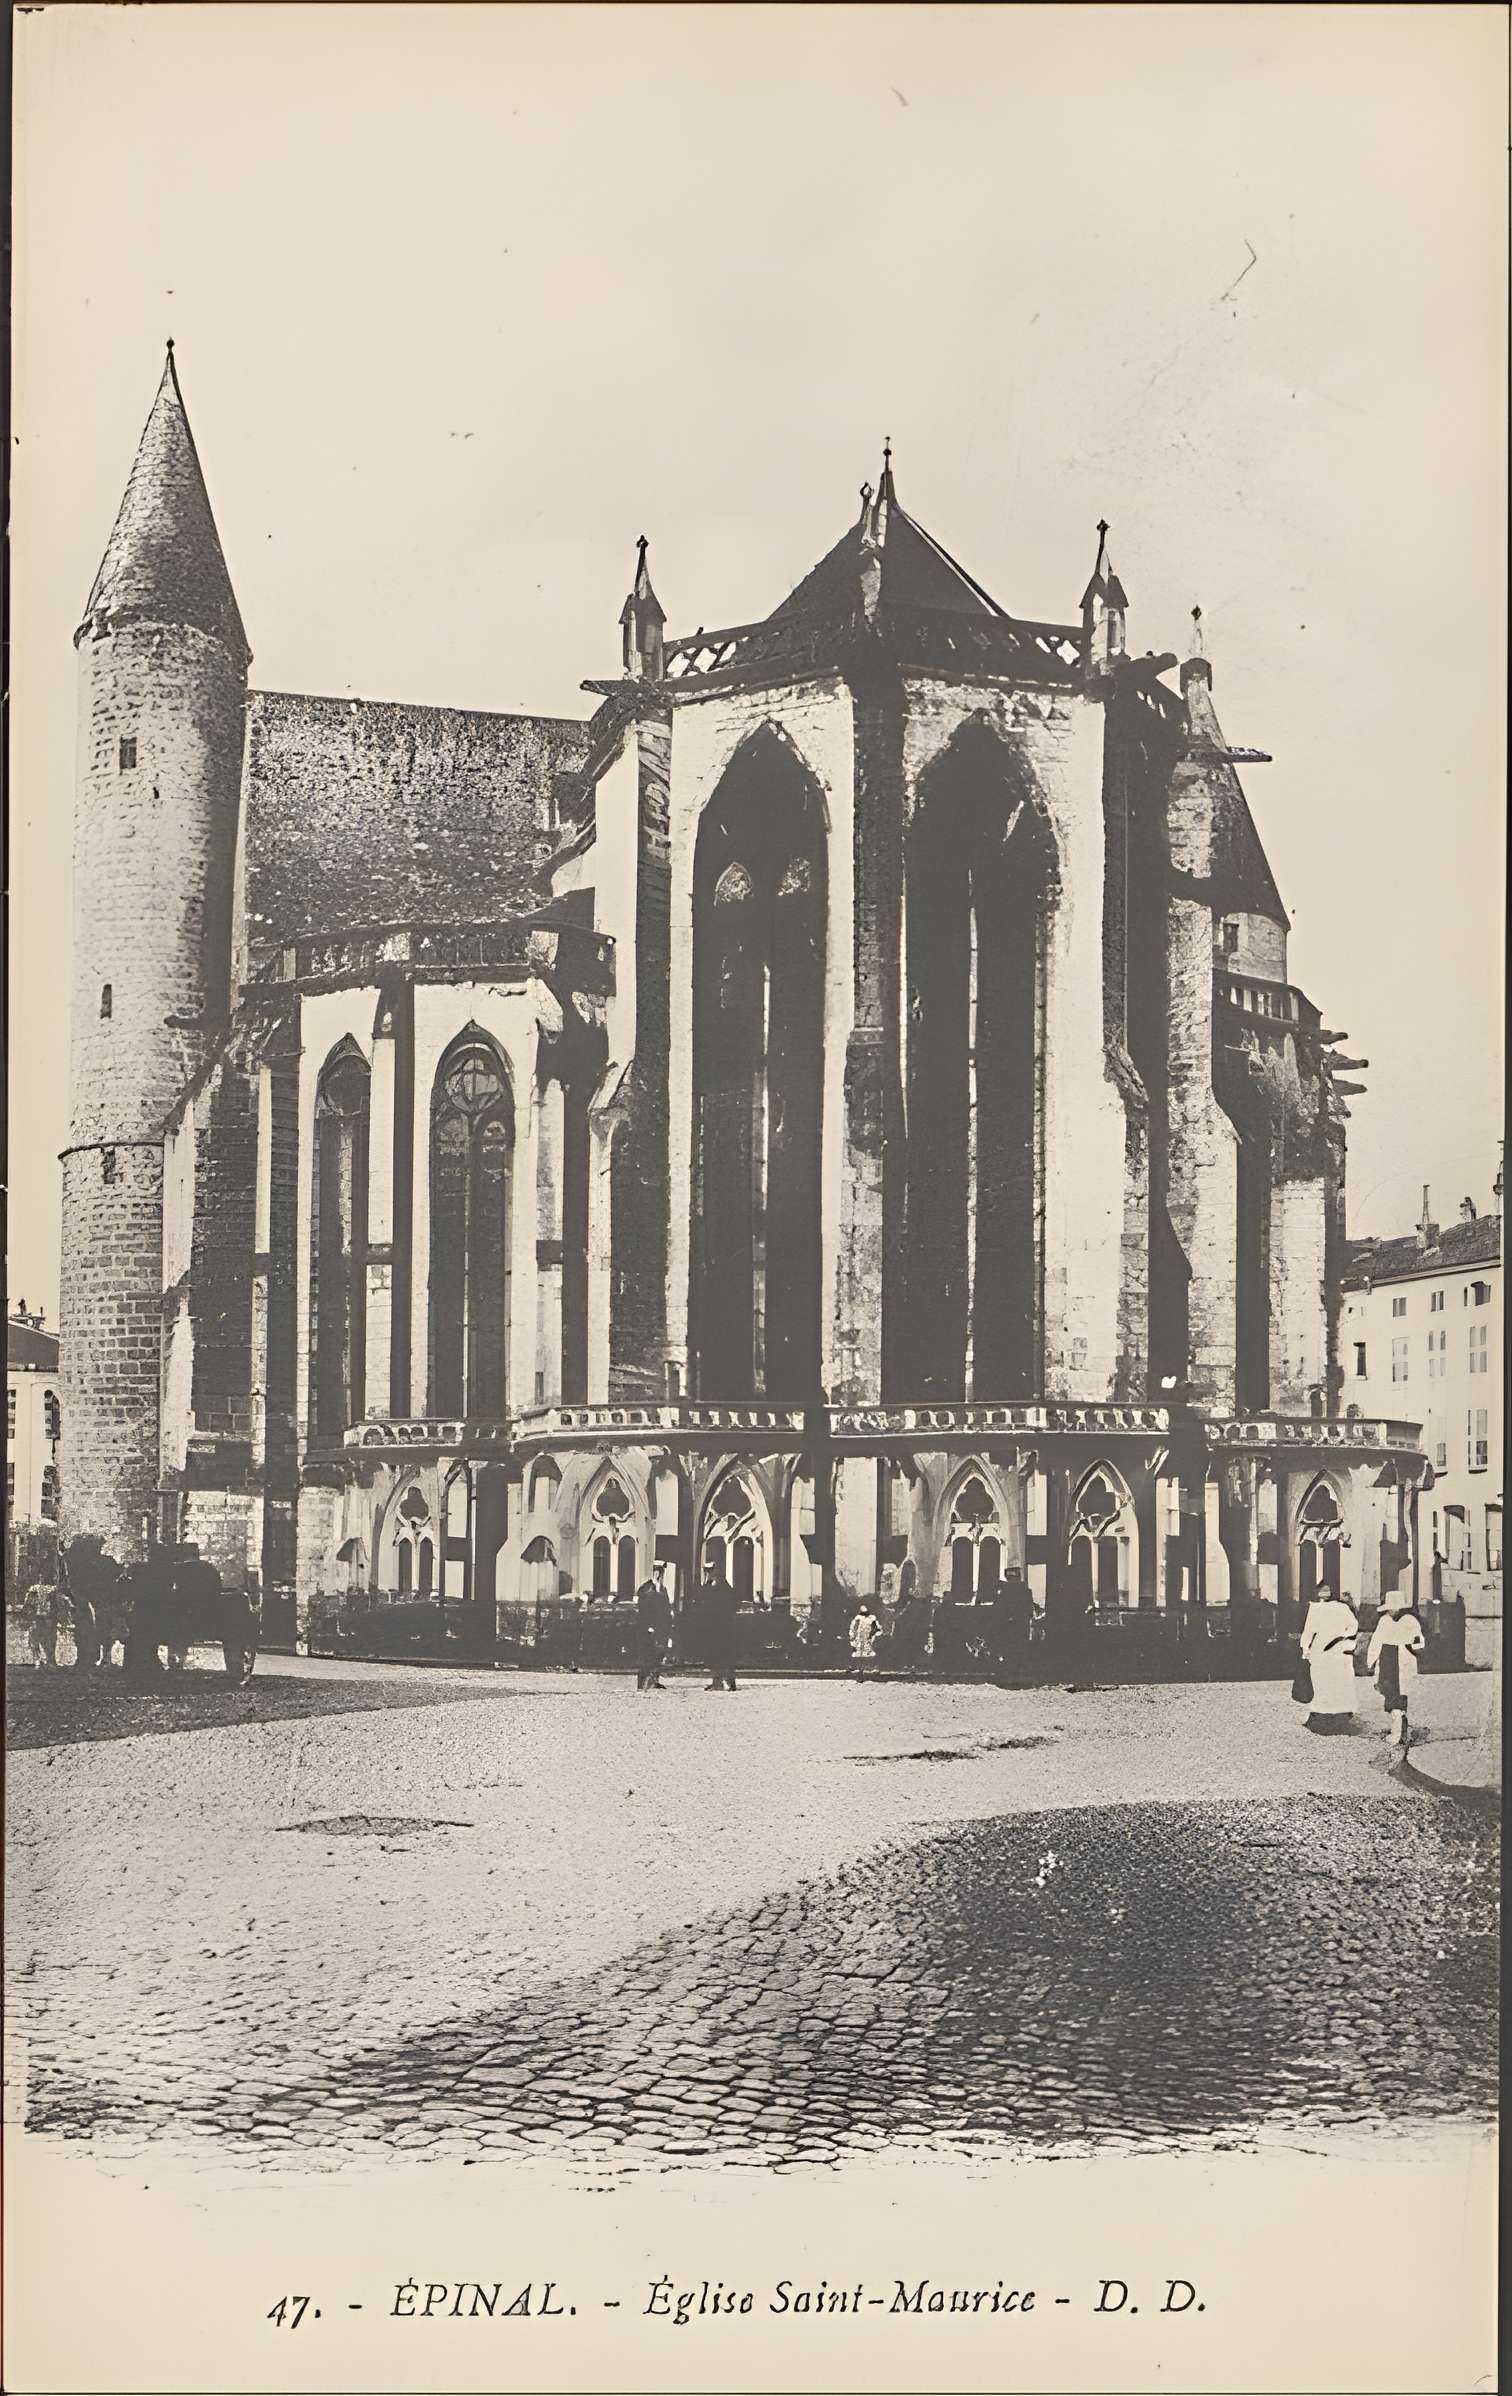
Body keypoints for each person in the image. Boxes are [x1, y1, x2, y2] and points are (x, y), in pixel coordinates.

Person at [1297, 1583, 1361, 1734]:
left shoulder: (1320, 1608)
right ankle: (1336, 1720)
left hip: (1327, 1651)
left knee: (1327, 1684)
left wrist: (1305, 1650)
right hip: (1333, 1652)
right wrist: (1345, 1641)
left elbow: (1308, 1632)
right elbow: (1353, 1627)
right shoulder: (1339, 1608)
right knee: (1333, 1684)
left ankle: (1328, 1720)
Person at [1367, 1589, 1427, 1750]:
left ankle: (1398, 1733)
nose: (1391, 1611)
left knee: (1400, 1695)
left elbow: (1419, 1641)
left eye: (1393, 1607)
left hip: (1403, 1658)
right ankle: (1400, 1730)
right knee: (1390, 1693)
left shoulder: (1410, 1620)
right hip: (1387, 1659)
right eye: (1389, 1608)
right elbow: (1376, 1641)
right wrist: (1371, 1660)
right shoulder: (1384, 1621)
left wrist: (1413, 1646)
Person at [170, 1541, 223, 1672]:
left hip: (182, 1613)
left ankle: (176, 1660)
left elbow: (172, 1592)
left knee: (174, 1622)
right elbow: (217, 1589)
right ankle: (179, 1659)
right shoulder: (209, 1568)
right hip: (208, 1612)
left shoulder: (177, 1570)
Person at [634, 1561, 674, 1691]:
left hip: (661, 1628)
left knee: (658, 1653)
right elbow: (644, 1609)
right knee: (648, 1655)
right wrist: (649, 1625)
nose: (659, 1574)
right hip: (649, 1628)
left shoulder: (662, 1589)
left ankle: (654, 1680)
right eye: (657, 1571)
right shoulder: (646, 1589)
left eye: (661, 1571)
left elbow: (665, 1608)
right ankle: (645, 1682)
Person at [700, 1564, 739, 1691]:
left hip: (723, 1627)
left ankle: (728, 1682)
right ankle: (716, 1681)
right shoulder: (708, 1585)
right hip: (712, 1628)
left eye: (710, 1571)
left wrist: (726, 1617)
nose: (708, 1573)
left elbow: (734, 1603)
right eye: (706, 1571)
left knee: (725, 1655)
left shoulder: (724, 1586)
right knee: (714, 1655)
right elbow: (704, 1601)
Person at [23, 1578, 65, 1669]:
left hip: (48, 1614)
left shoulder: (53, 1589)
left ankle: (50, 1660)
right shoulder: (33, 1589)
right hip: (38, 1613)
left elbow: (57, 1604)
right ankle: (39, 1659)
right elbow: (28, 1605)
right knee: (36, 1635)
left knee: (49, 1635)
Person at [847, 1600, 883, 1681]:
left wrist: (875, 1635)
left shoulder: (872, 1618)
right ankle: (859, 1670)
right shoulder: (857, 1618)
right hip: (859, 1639)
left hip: (868, 1638)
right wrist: (852, 1637)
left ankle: (873, 1668)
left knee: (870, 1654)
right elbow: (853, 1628)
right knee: (859, 1655)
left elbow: (877, 1628)